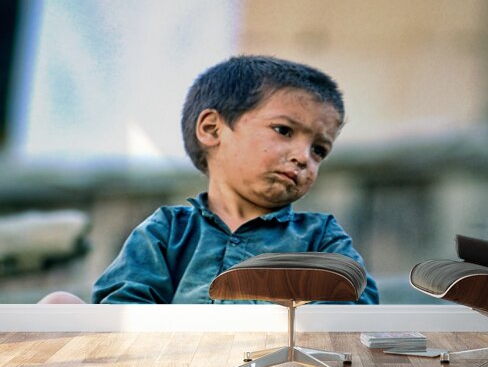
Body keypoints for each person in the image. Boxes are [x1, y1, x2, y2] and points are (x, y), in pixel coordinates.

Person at [40, 55, 378, 304]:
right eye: (283, 130)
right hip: (172, 363)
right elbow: (123, 308)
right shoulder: (167, 231)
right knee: (58, 305)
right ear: (213, 129)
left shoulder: (320, 237)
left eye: (319, 150)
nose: (303, 157)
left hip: (278, 363)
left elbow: (354, 307)